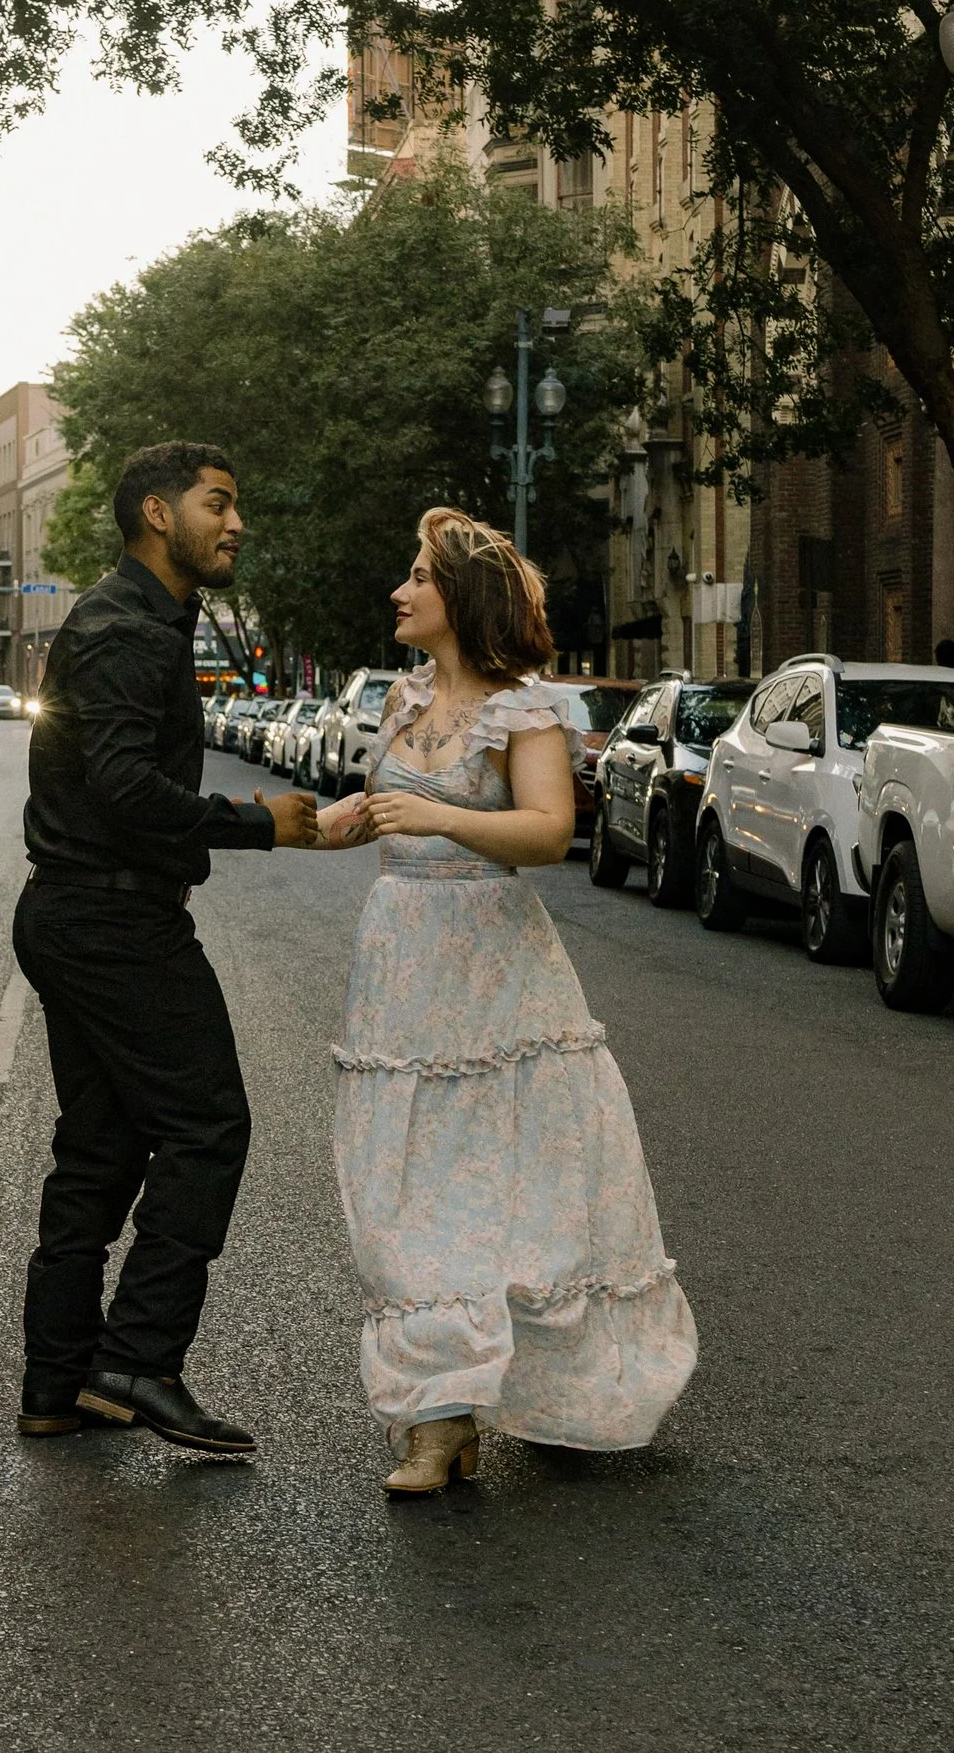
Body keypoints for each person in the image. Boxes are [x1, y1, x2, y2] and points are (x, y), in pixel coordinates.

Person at [318, 507, 698, 1494]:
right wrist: (279, 826)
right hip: (400, 961)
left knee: (506, 1181)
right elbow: (375, 816)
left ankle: (503, 1406)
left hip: (494, 966)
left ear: (462, 598)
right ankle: (437, 1412)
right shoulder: (403, 700)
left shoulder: (524, 710)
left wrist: (439, 811)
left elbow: (545, 832)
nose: (398, 592)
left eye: (416, 577)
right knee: (403, 1186)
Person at [12, 439, 320, 1457]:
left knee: (100, 1148)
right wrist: (260, 820)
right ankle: (137, 1354)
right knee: (207, 1125)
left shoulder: (134, 622)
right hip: (110, 921)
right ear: (157, 512)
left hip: (84, 912)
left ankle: (59, 1380)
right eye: (217, 503)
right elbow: (124, 789)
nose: (235, 523)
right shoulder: (124, 631)